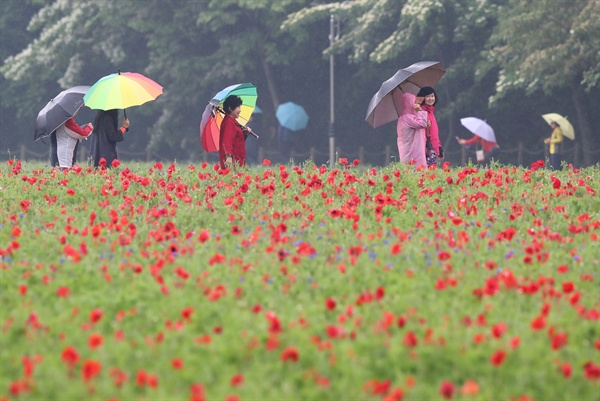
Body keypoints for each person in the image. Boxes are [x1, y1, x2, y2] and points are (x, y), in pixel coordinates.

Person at [397, 92, 428, 167]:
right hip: (413, 153)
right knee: (418, 174)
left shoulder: (403, 118)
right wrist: (420, 110)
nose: (416, 104)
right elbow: (423, 124)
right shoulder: (408, 118)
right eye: (414, 102)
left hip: (407, 152)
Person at [219, 95, 248, 169]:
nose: (240, 110)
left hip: (238, 159)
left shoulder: (233, 122)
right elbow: (227, 141)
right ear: (230, 108)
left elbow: (236, 140)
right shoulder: (229, 123)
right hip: (234, 161)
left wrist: (245, 133)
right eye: (238, 107)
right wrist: (228, 157)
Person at [416, 87, 443, 167]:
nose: (430, 98)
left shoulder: (431, 112)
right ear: (422, 98)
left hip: (433, 148)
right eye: (427, 96)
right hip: (426, 149)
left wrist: (439, 147)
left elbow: (434, 133)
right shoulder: (422, 112)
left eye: (432, 96)